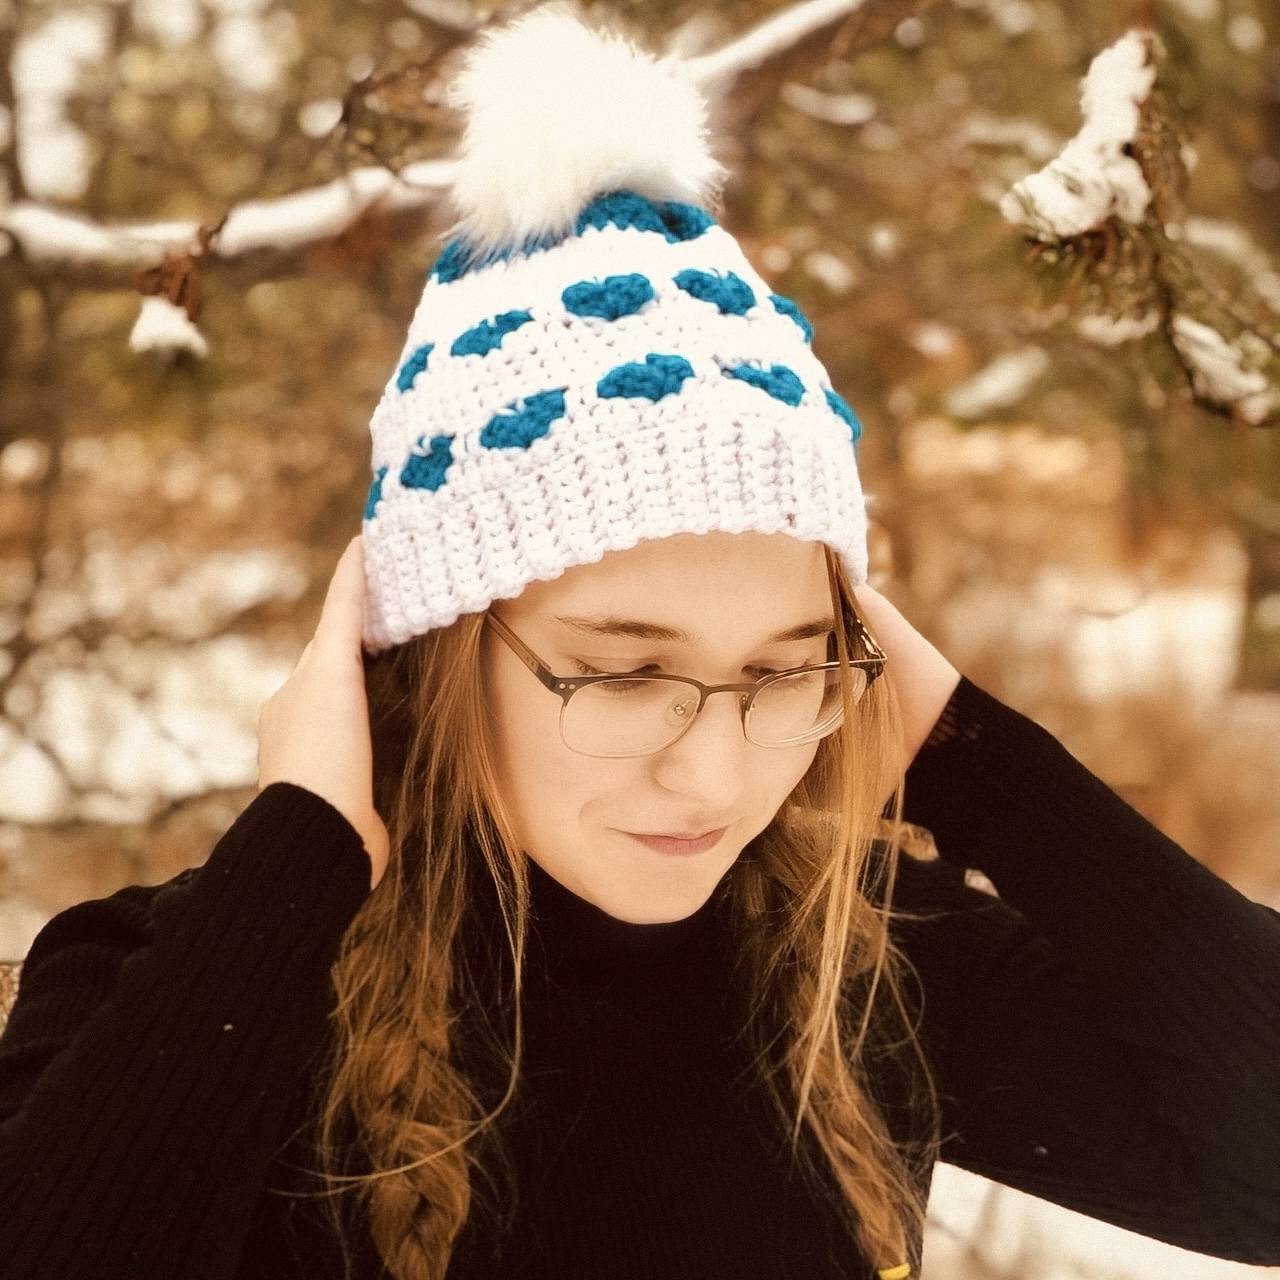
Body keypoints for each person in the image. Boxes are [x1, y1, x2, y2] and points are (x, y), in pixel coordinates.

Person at [2, 6, 1278, 1280]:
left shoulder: (855, 965)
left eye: (782, 668)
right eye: (622, 671)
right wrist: (292, 861)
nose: (715, 778)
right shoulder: (190, 988)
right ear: (432, 649)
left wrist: (970, 754)